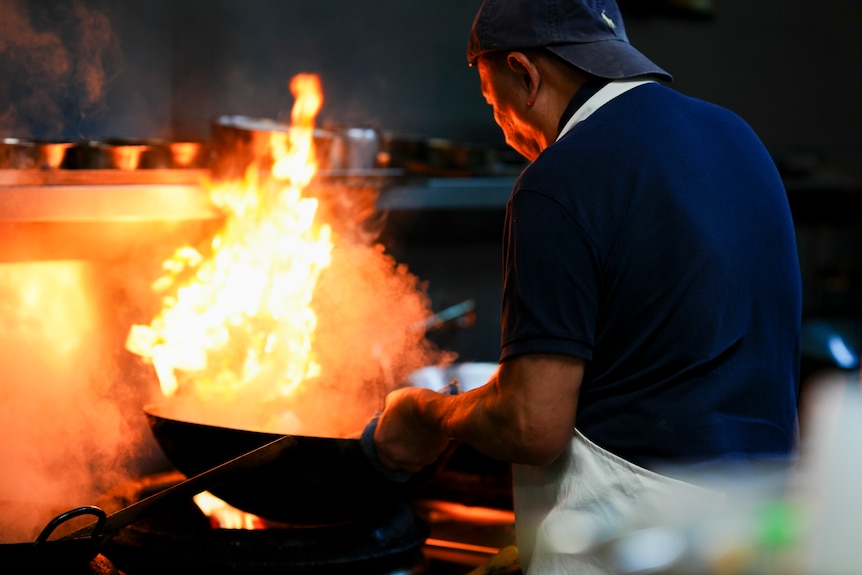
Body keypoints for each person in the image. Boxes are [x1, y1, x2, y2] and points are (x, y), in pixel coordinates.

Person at [369, 0, 801, 572]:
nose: (503, 128)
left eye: (491, 101)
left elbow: (532, 424)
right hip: (769, 525)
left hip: (639, 543)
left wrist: (424, 414)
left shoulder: (557, 181)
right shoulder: (737, 136)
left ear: (523, 74)